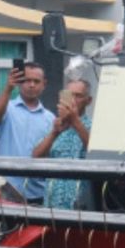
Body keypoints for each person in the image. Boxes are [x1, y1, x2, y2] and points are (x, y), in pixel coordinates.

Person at [0, 61, 54, 203]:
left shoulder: (50, 119)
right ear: (19, 82)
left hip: (36, 192)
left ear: (44, 84)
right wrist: (8, 88)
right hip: (6, 189)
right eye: (26, 80)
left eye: (36, 81)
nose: (31, 85)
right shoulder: (8, 108)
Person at [32, 79, 93, 209]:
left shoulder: (93, 127)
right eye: (70, 95)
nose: (73, 100)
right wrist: (54, 132)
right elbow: (36, 156)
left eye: (78, 96)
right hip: (52, 203)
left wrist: (75, 121)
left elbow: (95, 154)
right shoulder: (53, 124)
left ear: (88, 101)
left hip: (81, 205)